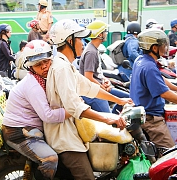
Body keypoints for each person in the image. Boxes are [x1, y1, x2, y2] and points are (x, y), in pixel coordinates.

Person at [44, 19, 133, 180]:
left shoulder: (67, 66)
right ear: (69, 41)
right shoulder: (61, 68)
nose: (83, 44)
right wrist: (107, 118)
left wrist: (119, 101)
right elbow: (74, 106)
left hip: (72, 133)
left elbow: (89, 88)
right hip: (64, 139)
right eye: (80, 39)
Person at [2, 40, 72, 180]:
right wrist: (72, 111)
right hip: (18, 131)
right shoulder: (33, 85)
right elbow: (48, 115)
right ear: (31, 67)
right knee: (50, 159)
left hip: (30, 128)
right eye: (38, 64)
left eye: (46, 61)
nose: (44, 66)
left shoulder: (43, 79)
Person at [130, 28, 176, 149]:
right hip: (151, 120)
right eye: (162, 45)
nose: (165, 48)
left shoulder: (140, 60)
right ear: (154, 48)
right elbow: (165, 93)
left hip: (143, 112)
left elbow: (159, 79)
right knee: (170, 155)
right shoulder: (149, 66)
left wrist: (175, 88)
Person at [79, 20, 130, 114]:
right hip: (93, 93)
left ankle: (116, 116)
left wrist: (105, 79)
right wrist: (102, 87)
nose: (106, 33)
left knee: (127, 98)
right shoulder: (91, 52)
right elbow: (88, 77)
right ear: (99, 35)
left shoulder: (94, 49)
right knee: (109, 121)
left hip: (98, 88)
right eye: (104, 31)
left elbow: (96, 73)